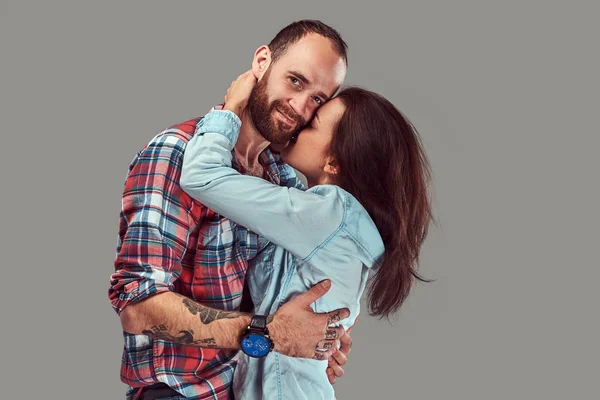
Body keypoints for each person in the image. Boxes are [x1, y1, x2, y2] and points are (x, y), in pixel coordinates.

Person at [109, 20, 355, 400]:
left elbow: (290, 295)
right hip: (182, 394)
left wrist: (322, 339)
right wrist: (273, 333)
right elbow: (139, 306)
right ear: (262, 62)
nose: (301, 107)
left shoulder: (283, 177)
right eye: (295, 80)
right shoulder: (176, 152)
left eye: (318, 99)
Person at [179, 72, 433, 399]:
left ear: (334, 162)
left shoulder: (327, 215)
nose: (301, 121)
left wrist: (231, 108)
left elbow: (201, 176)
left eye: (313, 124)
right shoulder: (329, 222)